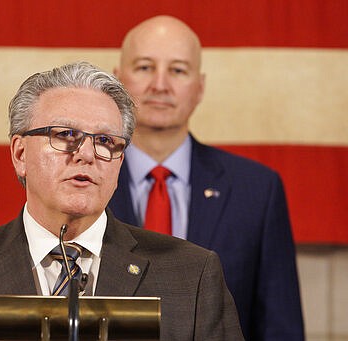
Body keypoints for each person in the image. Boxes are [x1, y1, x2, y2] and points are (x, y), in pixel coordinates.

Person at [0, 61, 243, 340]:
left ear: (120, 160)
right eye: (65, 135)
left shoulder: (191, 276)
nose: (87, 155)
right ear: (20, 153)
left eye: (106, 140)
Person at [109, 15, 304, 340]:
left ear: (200, 87)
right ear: (117, 81)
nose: (160, 84)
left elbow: (279, 327)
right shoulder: (80, 180)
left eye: (178, 70)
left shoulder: (257, 190)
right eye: (144, 67)